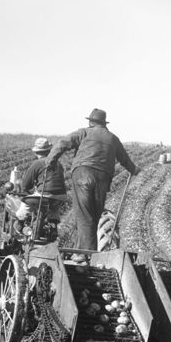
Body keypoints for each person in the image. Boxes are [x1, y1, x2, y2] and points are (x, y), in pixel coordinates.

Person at [44, 108, 141, 260]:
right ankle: (86, 251)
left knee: (84, 214)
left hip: (83, 173)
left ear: (90, 122)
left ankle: (84, 254)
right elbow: (125, 159)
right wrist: (134, 169)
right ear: (104, 123)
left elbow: (62, 144)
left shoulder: (83, 133)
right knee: (95, 215)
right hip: (103, 177)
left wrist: (50, 162)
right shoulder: (113, 138)